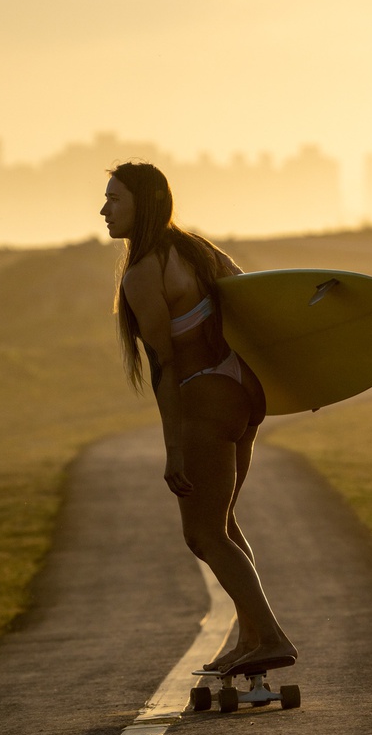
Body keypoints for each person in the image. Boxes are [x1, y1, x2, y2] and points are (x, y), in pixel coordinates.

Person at [100, 161, 297, 674]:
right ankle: (251, 638)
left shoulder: (143, 273)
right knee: (222, 523)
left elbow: (165, 367)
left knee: (203, 534)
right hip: (241, 392)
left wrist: (173, 450)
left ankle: (271, 636)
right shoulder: (198, 250)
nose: (103, 210)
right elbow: (253, 300)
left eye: (115, 199)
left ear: (144, 205)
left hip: (203, 398)